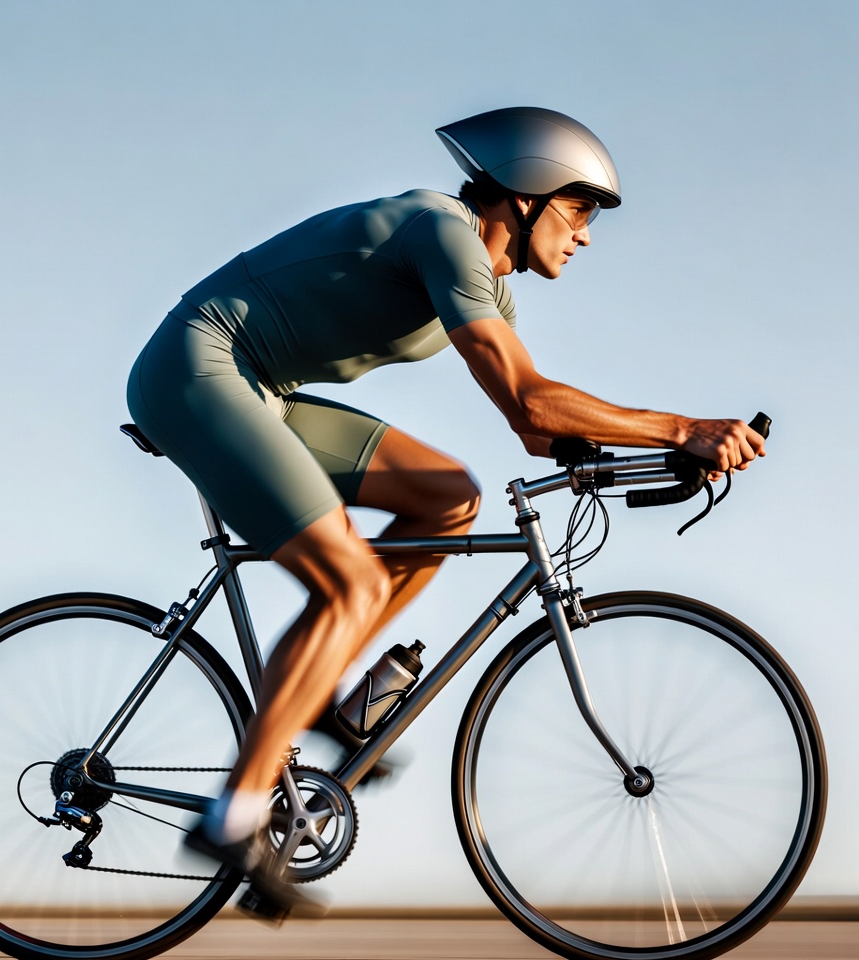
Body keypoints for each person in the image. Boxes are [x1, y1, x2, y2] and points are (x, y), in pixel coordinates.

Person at [126, 106, 765, 916]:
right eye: (580, 211)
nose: (588, 236)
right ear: (527, 195)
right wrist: (684, 427)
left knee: (449, 498)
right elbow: (532, 402)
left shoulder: (493, 287)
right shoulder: (443, 229)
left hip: (265, 391)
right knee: (349, 583)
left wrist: (657, 455)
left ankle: (327, 690)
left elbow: (539, 432)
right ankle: (236, 815)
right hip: (196, 367)